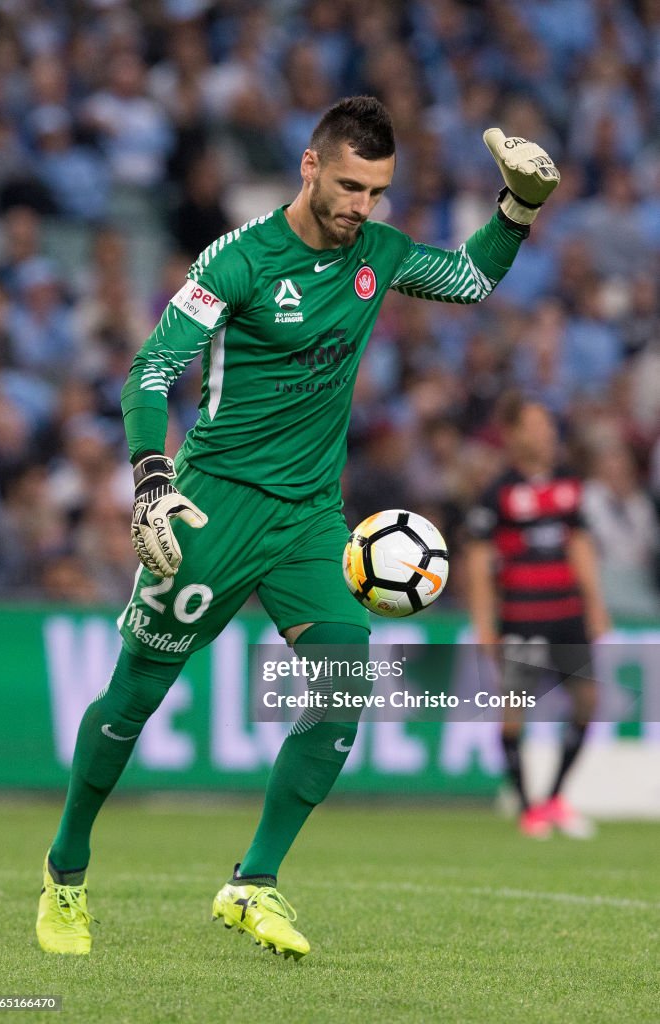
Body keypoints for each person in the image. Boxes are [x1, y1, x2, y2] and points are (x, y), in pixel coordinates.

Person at [36, 97, 560, 958]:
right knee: (134, 696)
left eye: (377, 192)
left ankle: (253, 883)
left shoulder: (379, 254)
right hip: (213, 506)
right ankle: (65, 872)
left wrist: (518, 210)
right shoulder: (239, 260)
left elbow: (469, 279)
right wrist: (149, 478)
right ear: (310, 168)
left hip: (311, 519)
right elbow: (153, 366)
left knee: (342, 682)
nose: (361, 207)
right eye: (349, 186)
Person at [465, 393, 610, 840]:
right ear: (512, 434)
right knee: (514, 711)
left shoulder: (569, 482)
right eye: (534, 424)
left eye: (547, 423)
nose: (545, 432)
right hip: (522, 616)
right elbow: (476, 560)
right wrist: (484, 623)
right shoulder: (498, 492)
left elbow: (580, 545)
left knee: (588, 703)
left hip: (567, 614)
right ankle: (528, 808)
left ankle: (553, 799)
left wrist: (595, 603)